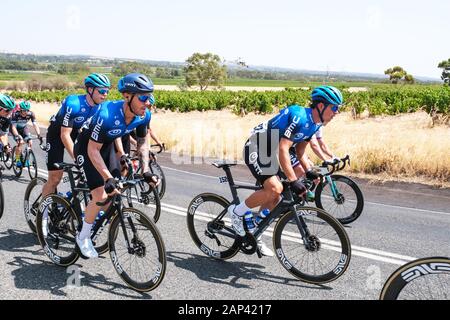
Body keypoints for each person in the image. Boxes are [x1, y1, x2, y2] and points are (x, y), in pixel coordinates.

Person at [228, 85, 343, 257]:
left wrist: (310, 171)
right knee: (275, 188)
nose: (336, 113)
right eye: (334, 108)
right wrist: (292, 179)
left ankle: (255, 232)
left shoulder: (314, 124)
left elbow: (300, 152)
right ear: (321, 106)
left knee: (278, 196)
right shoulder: (299, 115)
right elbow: (284, 148)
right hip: (258, 145)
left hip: (270, 150)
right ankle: (237, 212)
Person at [73, 73, 160, 258]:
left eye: (150, 97)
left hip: (107, 147)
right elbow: (92, 150)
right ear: (127, 96)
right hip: (86, 147)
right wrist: (107, 178)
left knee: (115, 191)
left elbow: (143, 142)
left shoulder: (144, 115)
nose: (148, 103)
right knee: (101, 192)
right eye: (143, 97)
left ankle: (90, 212)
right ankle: (83, 236)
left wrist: (145, 171)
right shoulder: (107, 114)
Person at [40, 73, 110, 236]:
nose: (104, 95)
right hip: (58, 135)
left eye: (106, 91)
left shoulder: (101, 107)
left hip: (78, 135)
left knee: (89, 172)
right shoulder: (74, 103)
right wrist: (79, 160)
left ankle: (69, 201)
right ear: (90, 89)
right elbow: (65, 135)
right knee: (55, 178)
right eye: (101, 91)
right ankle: (42, 216)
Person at [10, 101, 43, 167]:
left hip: (23, 128)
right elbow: (13, 127)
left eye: (27, 110)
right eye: (24, 110)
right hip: (15, 129)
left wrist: (39, 134)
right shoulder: (15, 114)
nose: (25, 112)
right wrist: (17, 136)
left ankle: (26, 159)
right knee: (21, 142)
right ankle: (17, 160)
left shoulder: (31, 114)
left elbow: (35, 124)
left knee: (30, 142)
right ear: (20, 110)